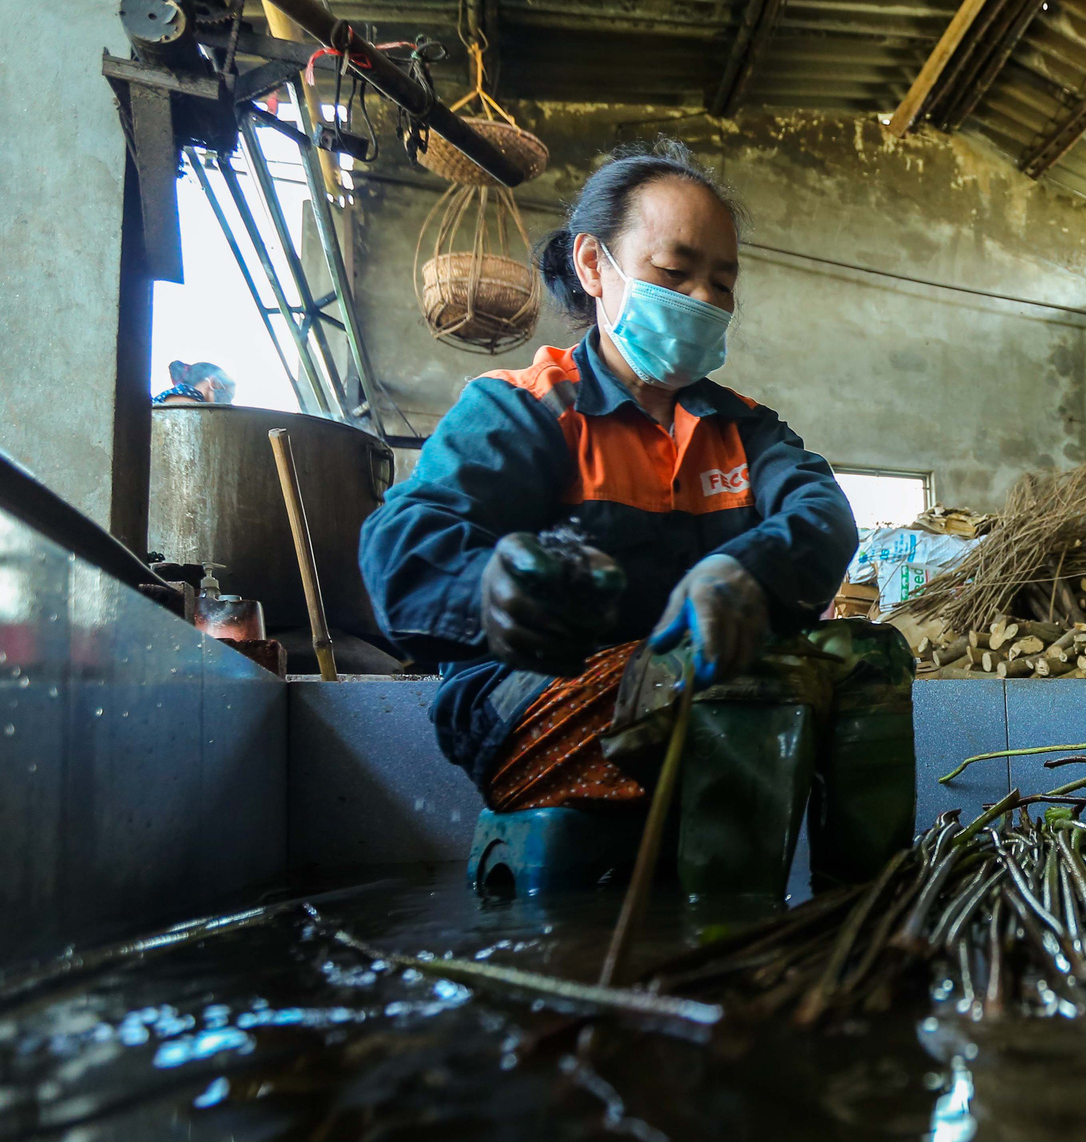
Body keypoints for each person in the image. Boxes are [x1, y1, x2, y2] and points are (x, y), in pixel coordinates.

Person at [360, 139, 858, 811]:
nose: (703, 298)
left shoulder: (745, 429)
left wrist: (751, 569)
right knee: (685, 692)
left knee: (866, 667)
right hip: (536, 692)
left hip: (690, 686)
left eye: (722, 283)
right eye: (675, 271)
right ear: (594, 264)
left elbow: (820, 510)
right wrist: (490, 586)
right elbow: (404, 541)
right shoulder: (527, 407)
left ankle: (847, 898)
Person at [153, 360, 236, 405]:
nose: (228, 403)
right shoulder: (188, 396)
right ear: (213, 382)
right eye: (227, 396)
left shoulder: (185, 394)